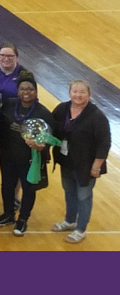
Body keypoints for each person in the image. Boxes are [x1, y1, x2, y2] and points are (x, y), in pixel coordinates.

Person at [48, 79, 108, 244]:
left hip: (86, 165)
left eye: (82, 92)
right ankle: (69, 221)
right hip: (66, 161)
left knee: (84, 196)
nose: (78, 95)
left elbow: (104, 143)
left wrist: (97, 166)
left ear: (89, 94)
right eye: (75, 91)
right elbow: (50, 127)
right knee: (69, 192)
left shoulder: (96, 116)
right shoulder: (62, 109)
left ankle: (80, 229)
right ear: (69, 93)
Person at [0, 75, 48, 236]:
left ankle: (23, 219)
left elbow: (49, 137)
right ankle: (8, 214)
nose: (26, 92)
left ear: (36, 92)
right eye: (23, 89)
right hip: (8, 155)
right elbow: (0, 127)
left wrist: (41, 146)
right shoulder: (9, 104)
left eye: (30, 89)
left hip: (30, 159)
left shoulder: (43, 113)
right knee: (7, 186)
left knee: (28, 189)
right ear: (18, 91)